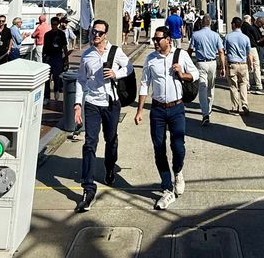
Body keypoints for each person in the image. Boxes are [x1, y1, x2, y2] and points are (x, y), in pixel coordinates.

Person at [134, 25, 199, 210]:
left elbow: (194, 74)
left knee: (178, 147)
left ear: (168, 40)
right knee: (158, 148)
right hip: (157, 110)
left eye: (158, 39)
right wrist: (139, 111)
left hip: (177, 108)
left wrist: (181, 73)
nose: (155, 42)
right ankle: (167, 187)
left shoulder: (181, 55)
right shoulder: (150, 59)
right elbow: (145, 84)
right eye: (154, 39)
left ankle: (178, 171)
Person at [73, 19, 129, 212]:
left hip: (111, 103)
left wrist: (116, 74)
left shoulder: (115, 51)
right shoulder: (86, 55)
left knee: (111, 139)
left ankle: (109, 167)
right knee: (89, 143)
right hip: (92, 104)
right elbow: (81, 80)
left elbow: (128, 68)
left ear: (105, 35)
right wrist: (77, 104)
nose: (95, 36)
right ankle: (88, 189)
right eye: (92, 32)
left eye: (98, 33)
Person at [189, 15, 225, 126]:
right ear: (210, 23)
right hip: (212, 62)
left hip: (201, 63)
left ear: (201, 23)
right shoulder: (216, 35)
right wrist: (222, 66)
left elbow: (190, 50)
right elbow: (221, 52)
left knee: (202, 88)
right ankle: (209, 109)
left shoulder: (195, 35)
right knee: (211, 87)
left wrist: (187, 63)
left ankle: (205, 114)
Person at [224, 17, 252, 114]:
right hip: (243, 64)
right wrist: (251, 64)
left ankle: (235, 107)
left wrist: (222, 66)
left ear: (234, 25)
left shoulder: (228, 37)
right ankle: (245, 104)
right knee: (243, 84)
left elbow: (223, 51)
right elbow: (249, 53)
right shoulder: (246, 38)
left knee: (233, 86)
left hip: (232, 65)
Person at [42, 16, 70, 102]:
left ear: (58, 24)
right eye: (52, 24)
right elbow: (44, 46)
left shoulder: (61, 34)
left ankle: (56, 92)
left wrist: (66, 58)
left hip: (57, 57)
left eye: (55, 24)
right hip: (48, 57)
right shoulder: (47, 34)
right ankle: (47, 96)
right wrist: (44, 57)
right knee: (47, 77)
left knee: (57, 77)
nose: (54, 26)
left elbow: (64, 46)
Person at [242, 14, 264, 94]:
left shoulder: (242, 28)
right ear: (249, 20)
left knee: (247, 67)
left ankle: (247, 86)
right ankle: (258, 86)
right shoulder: (250, 28)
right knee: (256, 66)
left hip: (244, 49)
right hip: (252, 48)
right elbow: (256, 39)